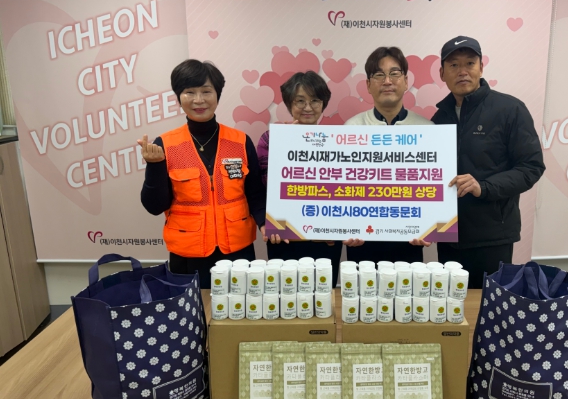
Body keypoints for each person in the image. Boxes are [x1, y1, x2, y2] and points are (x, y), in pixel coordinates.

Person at [139, 59, 266, 289]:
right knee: (195, 310)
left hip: (237, 251)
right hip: (188, 255)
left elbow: (256, 193)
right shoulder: (165, 144)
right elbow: (154, 206)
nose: (199, 100)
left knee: (241, 307)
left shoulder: (240, 141)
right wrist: (154, 166)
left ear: (217, 95)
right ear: (179, 97)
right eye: (190, 92)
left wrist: (266, 223)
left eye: (206, 91)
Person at [431, 36, 545, 288]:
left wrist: (484, 187)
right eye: (453, 65)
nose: (462, 71)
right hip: (448, 237)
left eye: (470, 63)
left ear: (481, 68)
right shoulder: (439, 118)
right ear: (442, 73)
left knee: (489, 306)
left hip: (492, 237)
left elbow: (531, 167)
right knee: (449, 305)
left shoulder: (510, 109)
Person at [344, 46, 433, 264]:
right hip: (362, 240)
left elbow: (435, 187)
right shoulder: (351, 129)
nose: (387, 81)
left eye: (394, 74)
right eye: (378, 75)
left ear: (406, 81)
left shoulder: (428, 130)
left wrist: (430, 226)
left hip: (410, 239)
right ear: (368, 84)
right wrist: (345, 227)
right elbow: (342, 187)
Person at [258, 71, 343, 286]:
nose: (308, 107)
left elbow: (346, 190)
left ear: (323, 104)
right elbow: (263, 186)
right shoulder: (271, 139)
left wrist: (340, 227)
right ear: (289, 104)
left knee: (323, 296)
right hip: (284, 237)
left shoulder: (337, 141)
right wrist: (265, 223)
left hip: (325, 238)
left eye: (315, 101)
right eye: (300, 101)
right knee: (284, 295)